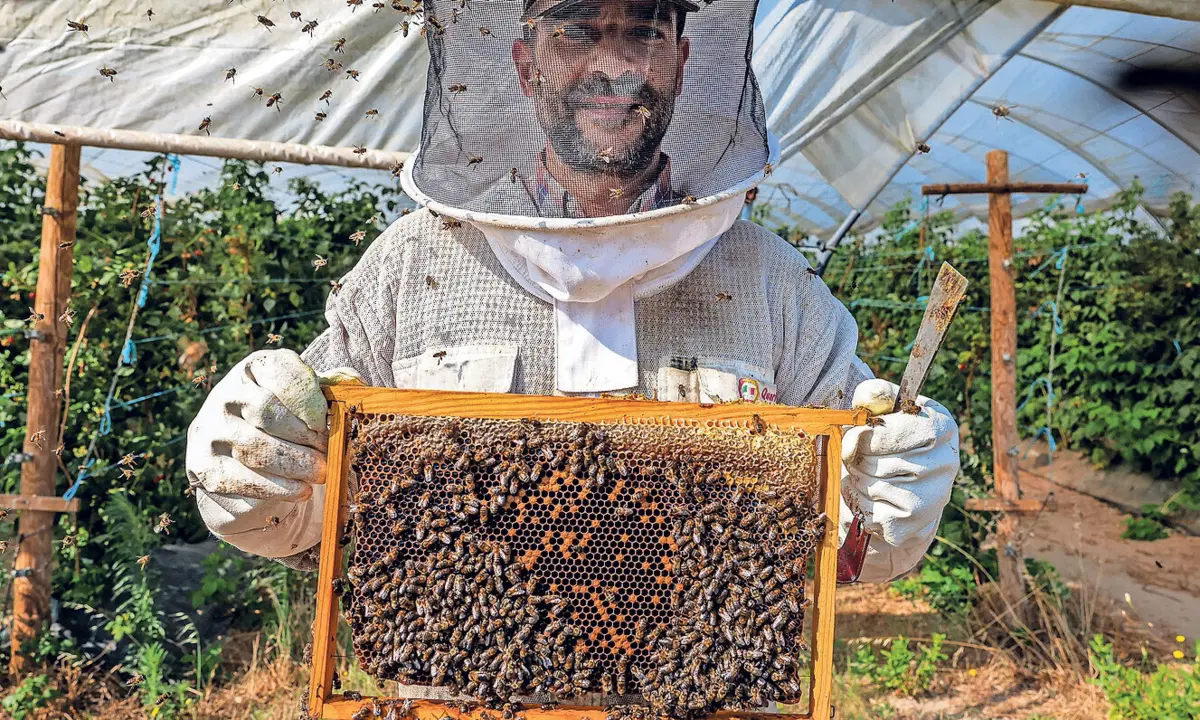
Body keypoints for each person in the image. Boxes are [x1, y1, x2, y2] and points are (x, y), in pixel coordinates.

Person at [185, 0, 958, 584]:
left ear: (684, 62)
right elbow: (318, 515)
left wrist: (894, 499)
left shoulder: (770, 281)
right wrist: (254, 481)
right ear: (526, 64)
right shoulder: (410, 265)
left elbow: (851, 551)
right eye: (575, 30)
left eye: (644, 31)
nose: (612, 66)